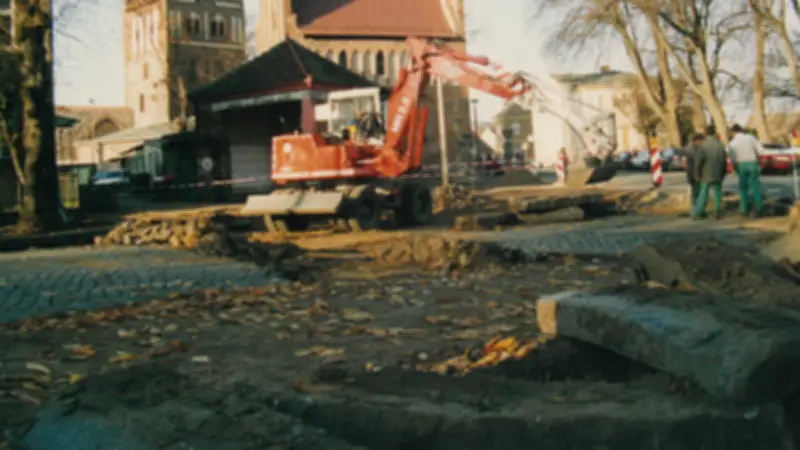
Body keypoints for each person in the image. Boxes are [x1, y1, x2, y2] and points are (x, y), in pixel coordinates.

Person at [727, 123, 764, 217]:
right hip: (752, 162)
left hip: (741, 164)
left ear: (733, 132)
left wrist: (735, 167)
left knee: (743, 187)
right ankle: (758, 208)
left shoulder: (732, 142)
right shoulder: (750, 138)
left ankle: (744, 209)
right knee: (755, 186)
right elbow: (760, 150)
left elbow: (731, 156)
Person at [693, 125, 728, 219]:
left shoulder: (703, 145)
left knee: (703, 193)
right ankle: (717, 212)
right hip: (717, 172)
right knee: (717, 193)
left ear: (706, 133)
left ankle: (699, 212)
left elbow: (699, 161)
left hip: (706, 172)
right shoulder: (720, 144)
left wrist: (697, 173)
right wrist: (723, 172)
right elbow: (724, 160)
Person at [682, 133, 704, 211]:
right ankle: (697, 209)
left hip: (691, 173)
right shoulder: (696, 149)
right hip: (695, 173)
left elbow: (684, 163)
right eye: (701, 141)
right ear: (697, 141)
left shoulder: (687, 149)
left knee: (695, 191)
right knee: (698, 191)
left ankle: (695, 209)